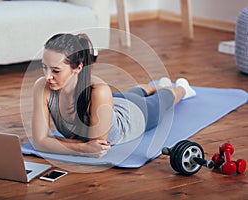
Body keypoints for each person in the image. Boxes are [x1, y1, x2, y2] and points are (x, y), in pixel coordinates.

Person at [32, 33, 196, 158]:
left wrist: (54, 142)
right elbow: (40, 142)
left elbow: (96, 146)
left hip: (131, 117)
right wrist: (81, 148)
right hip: (112, 104)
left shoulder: (99, 91)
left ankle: (181, 88)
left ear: (78, 67)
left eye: (55, 70)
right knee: (133, 93)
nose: (47, 76)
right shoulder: (42, 86)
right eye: (44, 67)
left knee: (164, 99)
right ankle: (158, 85)